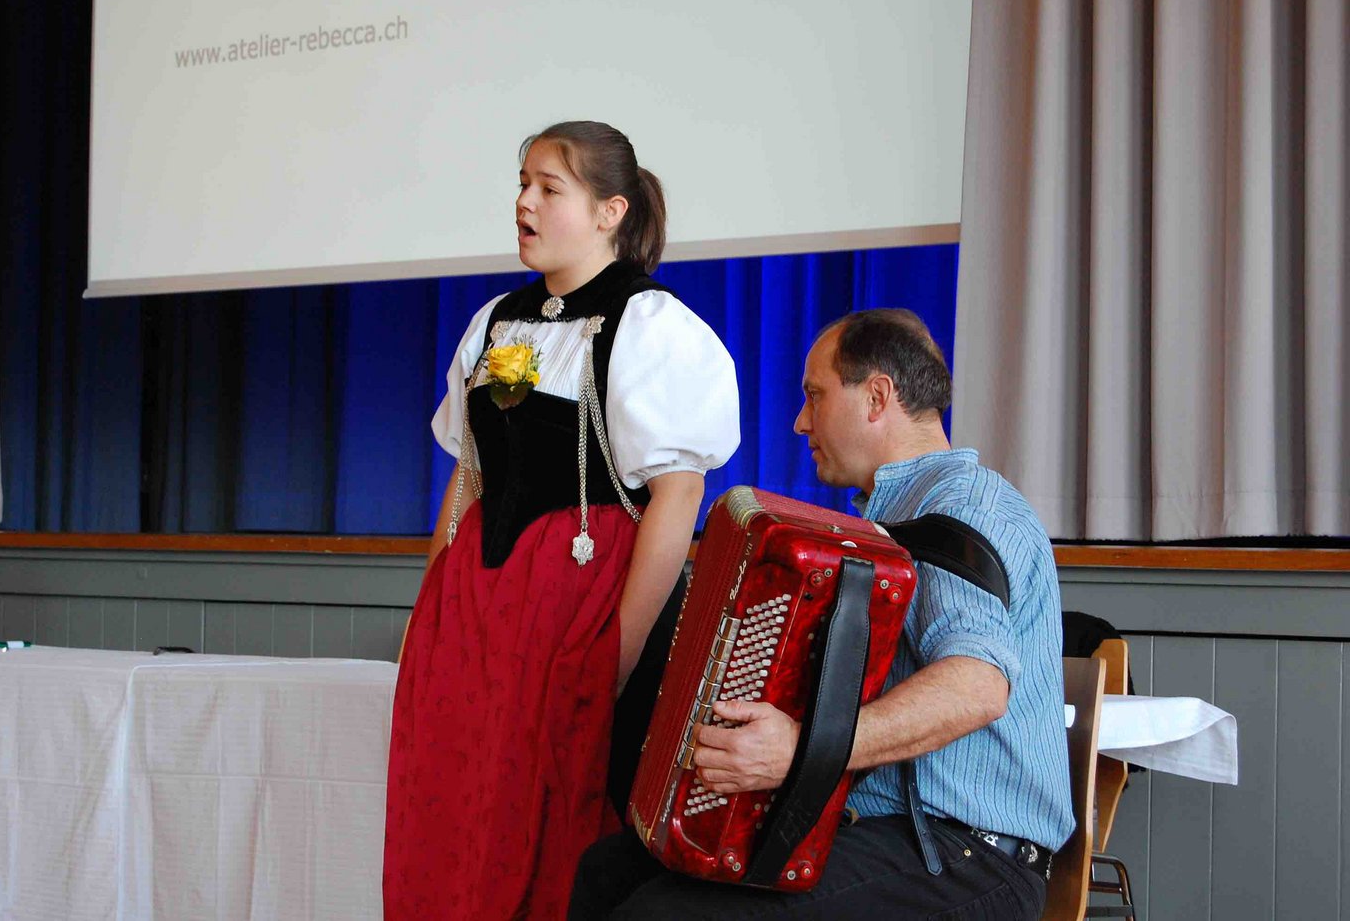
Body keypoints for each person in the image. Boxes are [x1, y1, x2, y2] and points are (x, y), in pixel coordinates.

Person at [569, 309, 1072, 920]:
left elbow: (977, 686)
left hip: (967, 856)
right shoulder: (879, 524)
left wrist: (803, 750)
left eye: (814, 395)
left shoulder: (960, 506)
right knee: (608, 873)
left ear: (877, 396)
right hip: (882, 833)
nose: (800, 421)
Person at [382, 121, 739, 920]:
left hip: (577, 604)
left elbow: (677, 499)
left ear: (611, 210)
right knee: (454, 807)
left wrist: (620, 649)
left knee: (552, 821)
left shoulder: (649, 327)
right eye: (521, 183)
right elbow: (468, 477)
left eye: (549, 187)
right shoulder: (496, 321)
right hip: (477, 606)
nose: (524, 202)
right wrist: (430, 607)